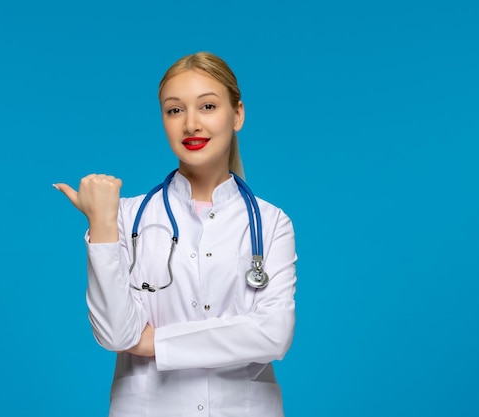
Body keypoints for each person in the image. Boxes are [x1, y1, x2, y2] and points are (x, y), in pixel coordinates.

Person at [54, 51, 297, 417]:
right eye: (175, 110)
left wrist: (155, 341)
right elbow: (116, 335)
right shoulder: (126, 216)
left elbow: (273, 334)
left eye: (208, 106)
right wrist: (101, 226)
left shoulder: (271, 223)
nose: (191, 124)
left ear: (238, 114)